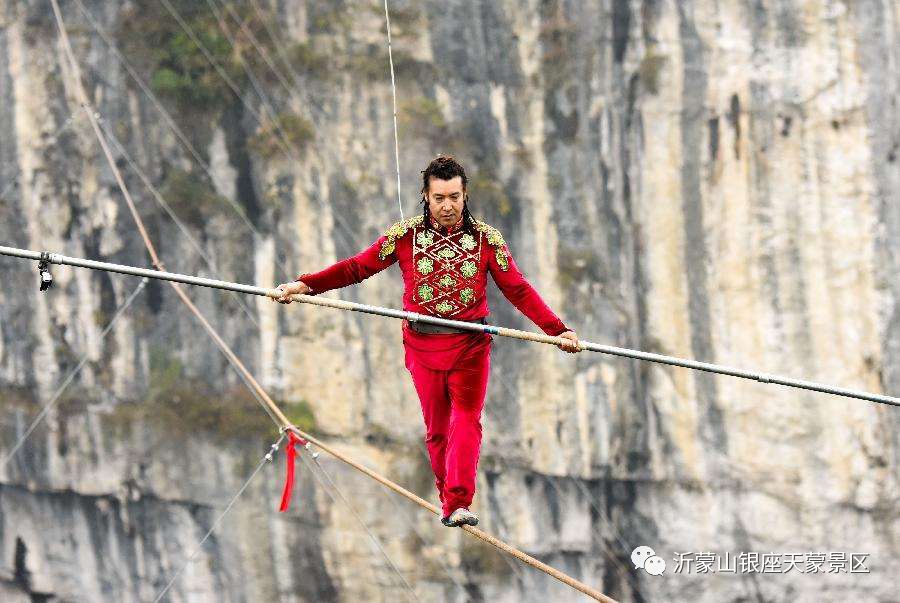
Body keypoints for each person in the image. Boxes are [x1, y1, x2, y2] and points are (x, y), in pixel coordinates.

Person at [273, 155, 581, 527]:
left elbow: (517, 288)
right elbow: (358, 267)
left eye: (454, 196)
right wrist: (307, 284)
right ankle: (447, 502)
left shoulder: (487, 240)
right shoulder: (404, 237)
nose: (448, 205)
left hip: (471, 345)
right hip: (422, 346)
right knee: (437, 429)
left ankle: (458, 502)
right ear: (426, 197)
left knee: (466, 421)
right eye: (439, 198)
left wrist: (557, 330)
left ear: (465, 194)